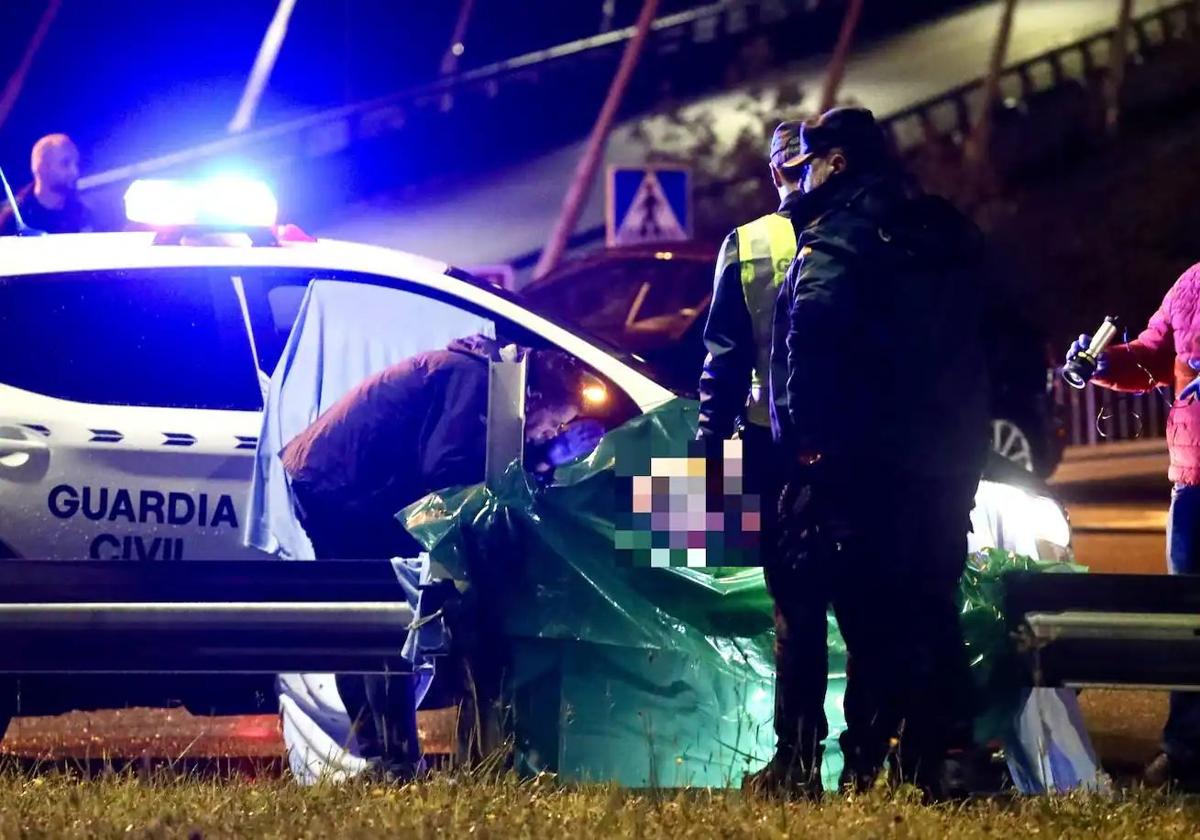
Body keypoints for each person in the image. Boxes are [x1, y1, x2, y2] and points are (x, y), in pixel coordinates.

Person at [765, 107, 989, 799]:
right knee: (929, 600)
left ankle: (855, 762)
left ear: (836, 162)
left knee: (865, 609)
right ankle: (939, 757)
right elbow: (1000, 327)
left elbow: (814, 338)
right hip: (950, 458)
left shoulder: (836, 239)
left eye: (809, 162)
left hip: (870, 462)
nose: (800, 177)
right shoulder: (943, 227)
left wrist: (810, 448)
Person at [280, 333, 602, 778]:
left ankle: (384, 757)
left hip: (339, 480)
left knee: (379, 622)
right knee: (382, 620)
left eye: (559, 431)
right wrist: (538, 462)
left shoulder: (486, 379)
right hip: (340, 486)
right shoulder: (474, 382)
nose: (552, 432)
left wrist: (541, 459)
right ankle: (393, 762)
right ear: (533, 395)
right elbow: (446, 470)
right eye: (553, 422)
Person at [695, 121, 819, 793]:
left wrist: (709, 460)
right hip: (859, 449)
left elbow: (722, 361)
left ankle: (797, 761)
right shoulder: (864, 237)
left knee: (795, 608)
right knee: (864, 603)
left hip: (773, 450)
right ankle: (871, 754)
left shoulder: (748, 245)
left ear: (775, 175)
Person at [1068, 263, 1200, 791]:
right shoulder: (1191, 283)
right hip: (1193, 483)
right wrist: (1103, 363)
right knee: (1191, 623)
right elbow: (1152, 355)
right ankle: (1188, 754)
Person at [0, 134, 93, 235]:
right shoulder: (11, 218)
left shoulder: (83, 215)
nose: (75, 172)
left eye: (76, 164)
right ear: (42, 168)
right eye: (65, 163)